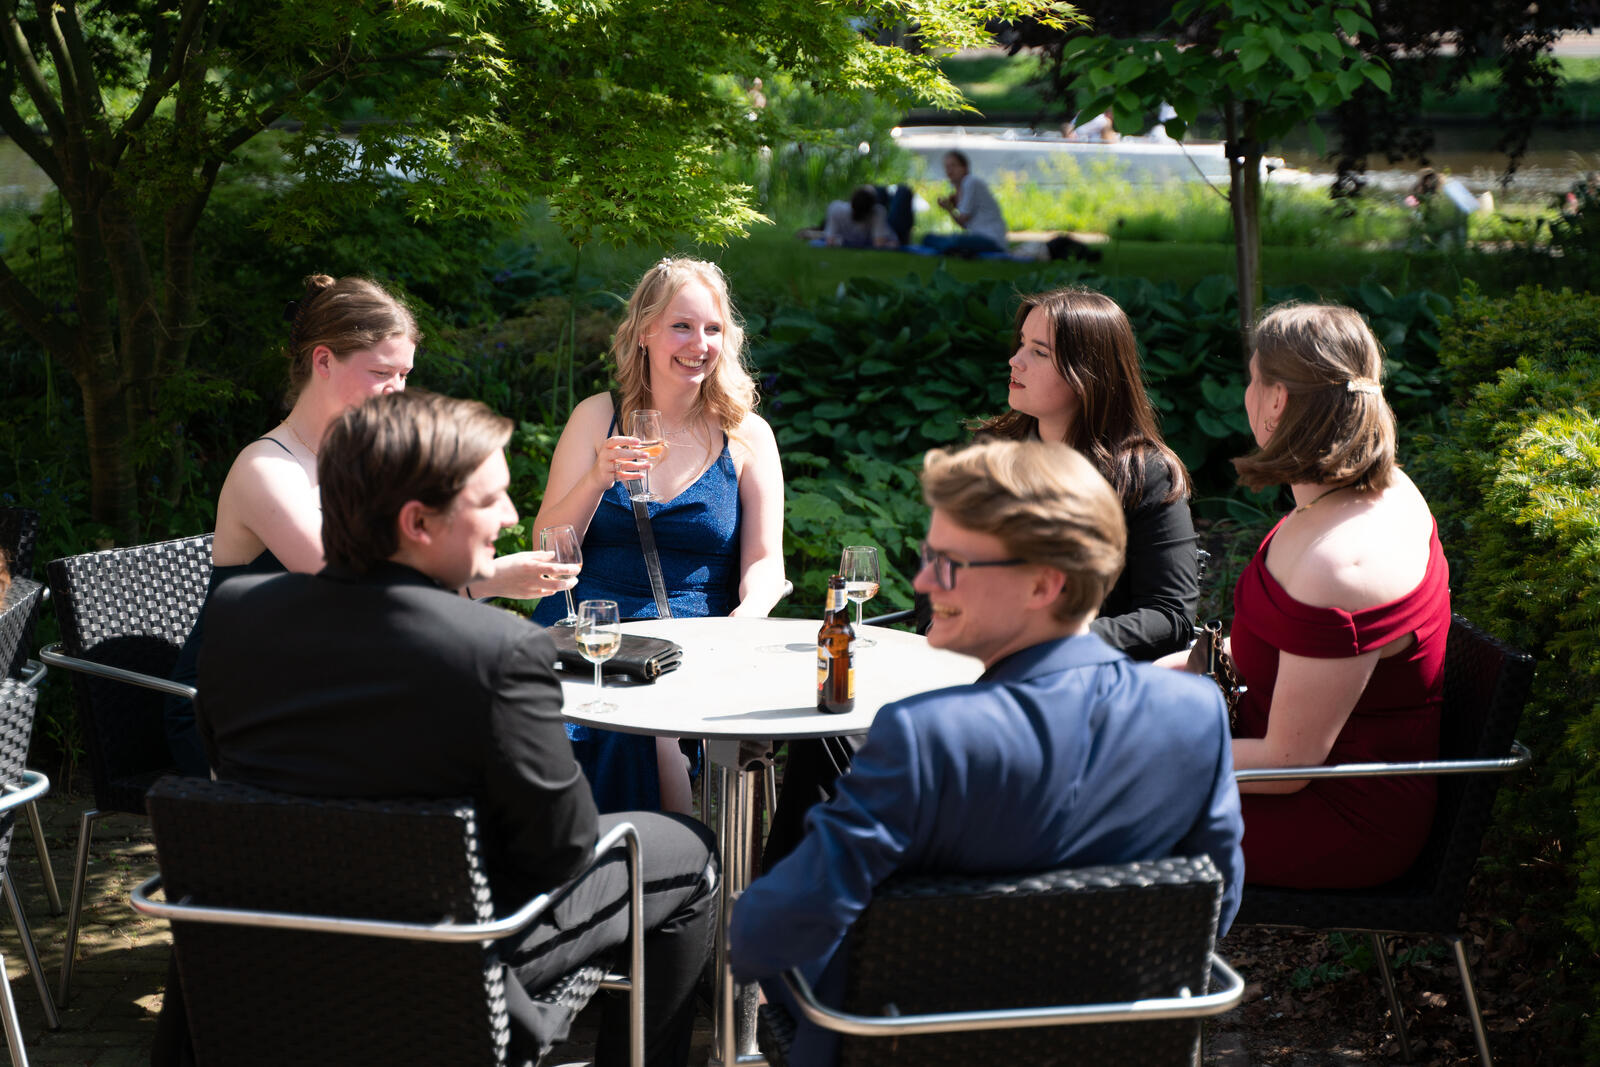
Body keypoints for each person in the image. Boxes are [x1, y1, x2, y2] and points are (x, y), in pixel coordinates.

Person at [192, 389, 719, 1067]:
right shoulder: (497, 649)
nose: (510, 516)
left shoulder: (237, 614)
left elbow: (229, 772)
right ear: (417, 520)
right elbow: (560, 849)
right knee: (688, 852)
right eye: (491, 498)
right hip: (448, 959)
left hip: (273, 943)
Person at [730, 439, 1243, 1067]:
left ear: (1043, 585)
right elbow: (1214, 906)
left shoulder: (925, 738)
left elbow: (766, 937)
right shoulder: (1194, 716)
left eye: (948, 565)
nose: (921, 583)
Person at [764, 287, 1200, 867]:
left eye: (1039, 352)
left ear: (1087, 373)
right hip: (966, 677)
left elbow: (1171, 616)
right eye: (1021, 345)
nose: (1015, 361)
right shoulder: (997, 453)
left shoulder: (1144, 474)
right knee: (829, 734)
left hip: (1071, 697)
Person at [164, 274, 577, 776]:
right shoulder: (266, 468)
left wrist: (491, 580)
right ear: (323, 361)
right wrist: (489, 581)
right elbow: (355, 591)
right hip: (239, 710)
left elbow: (392, 590)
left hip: (333, 681)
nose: (397, 392)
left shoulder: (365, 461)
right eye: (383, 372)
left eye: (405, 375)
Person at [532, 256, 786, 815]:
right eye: (682, 326)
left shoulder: (746, 434)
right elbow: (550, 547)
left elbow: (767, 562)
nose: (699, 343)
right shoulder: (597, 417)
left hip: (691, 635)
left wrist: (747, 620)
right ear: (644, 332)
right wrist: (598, 478)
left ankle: (662, 878)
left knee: (644, 734)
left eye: (713, 329)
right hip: (589, 626)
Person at [1222, 302, 1451, 887]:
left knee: (1065, 811)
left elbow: (1287, 765)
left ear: (1276, 401)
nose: (1247, 394)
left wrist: (1128, 755)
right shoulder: (1379, 489)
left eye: (1253, 379)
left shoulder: (1342, 563)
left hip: (1334, 818)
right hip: (1282, 777)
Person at [924, 150, 1009, 257]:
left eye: (953, 165)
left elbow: (963, 219)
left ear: (964, 167)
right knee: (929, 238)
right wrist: (951, 208)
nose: (949, 170)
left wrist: (949, 208)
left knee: (954, 240)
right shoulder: (961, 188)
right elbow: (964, 225)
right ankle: (957, 250)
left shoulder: (970, 182)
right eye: (947, 167)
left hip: (991, 239)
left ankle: (955, 249)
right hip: (980, 237)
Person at [822, 185, 899, 249]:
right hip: (887, 233)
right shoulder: (877, 212)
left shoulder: (836, 208)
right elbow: (879, 243)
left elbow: (830, 240)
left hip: (885, 232)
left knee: (881, 191)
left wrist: (840, 241)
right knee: (894, 191)